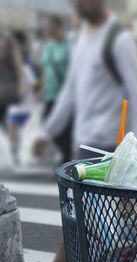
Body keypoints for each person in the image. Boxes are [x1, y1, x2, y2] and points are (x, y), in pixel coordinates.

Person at [33, 0, 137, 262]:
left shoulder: (119, 40)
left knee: (83, 231)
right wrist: (46, 132)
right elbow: (69, 93)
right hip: (85, 149)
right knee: (83, 230)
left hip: (110, 150)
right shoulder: (80, 39)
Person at [41, 15, 72, 163]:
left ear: (59, 27)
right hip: (50, 93)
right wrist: (41, 89)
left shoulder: (69, 44)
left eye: (50, 28)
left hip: (64, 95)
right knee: (47, 124)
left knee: (65, 131)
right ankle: (66, 154)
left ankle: (66, 159)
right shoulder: (47, 46)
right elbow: (45, 69)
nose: (48, 31)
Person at [6, 31, 37, 165]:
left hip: (25, 106)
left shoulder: (26, 68)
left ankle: (20, 152)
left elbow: (33, 83)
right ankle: (12, 151)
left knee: (23, 132)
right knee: (12, 127)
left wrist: (25, 90)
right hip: (14, 106)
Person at [0, 30, 25, 129]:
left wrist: (20, 86)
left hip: (6, 86)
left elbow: (19, 68)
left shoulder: (10, 44)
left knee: (5, 113)